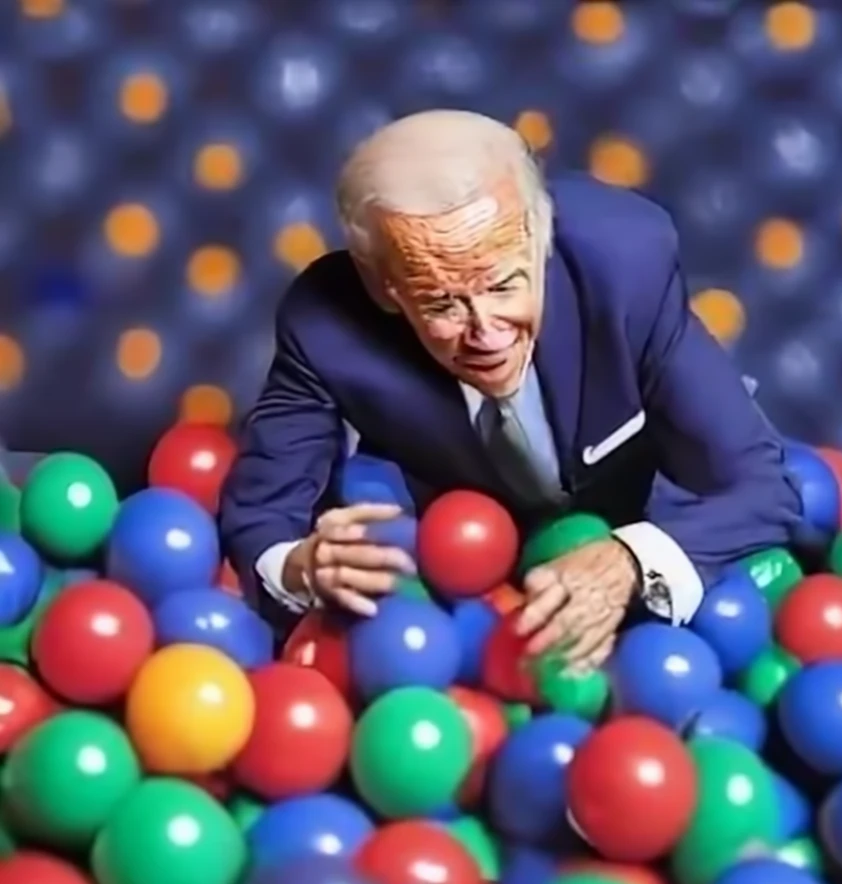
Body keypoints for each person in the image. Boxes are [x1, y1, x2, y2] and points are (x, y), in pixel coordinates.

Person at [220, 110, 801, 671]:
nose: (486, 332)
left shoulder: (622, 264)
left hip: (648, 537)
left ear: (537, 238)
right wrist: (300, 567)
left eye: (503, 284)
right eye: (442, 302)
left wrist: (630, 560)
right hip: (465, 587)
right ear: (385, 287)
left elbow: (760, 483)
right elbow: (261, 513)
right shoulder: (327, 325)